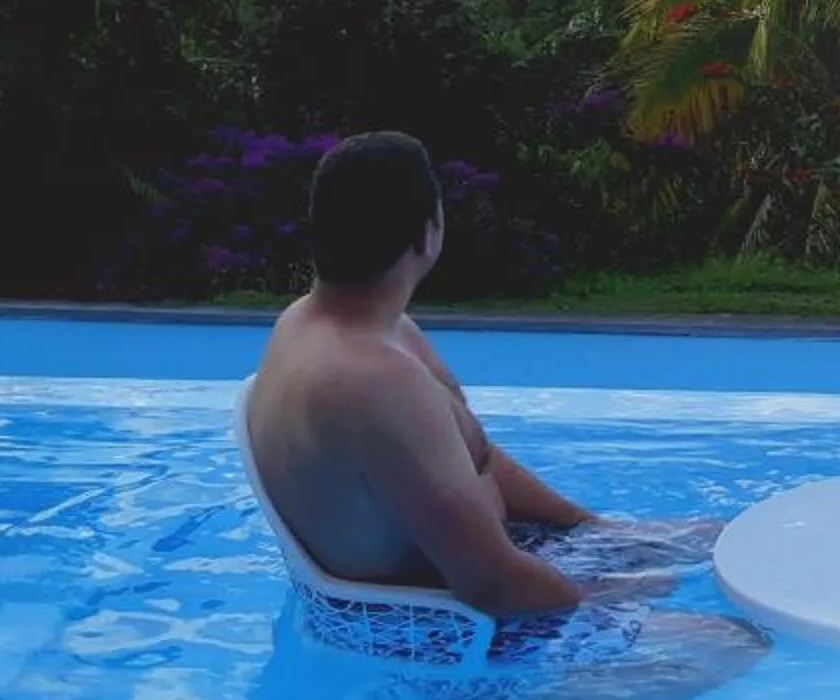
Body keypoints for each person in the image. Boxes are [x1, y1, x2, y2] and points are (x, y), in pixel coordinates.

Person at [246, 130, 652, 625]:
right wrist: (610, 601)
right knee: (727, 638)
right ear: (428, 232)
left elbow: (478, 457)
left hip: (492, 565)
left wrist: (593, 529)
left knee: (701, 540)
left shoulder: (326, 325)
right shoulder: (373, 382)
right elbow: (492, 586)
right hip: (437, 624)